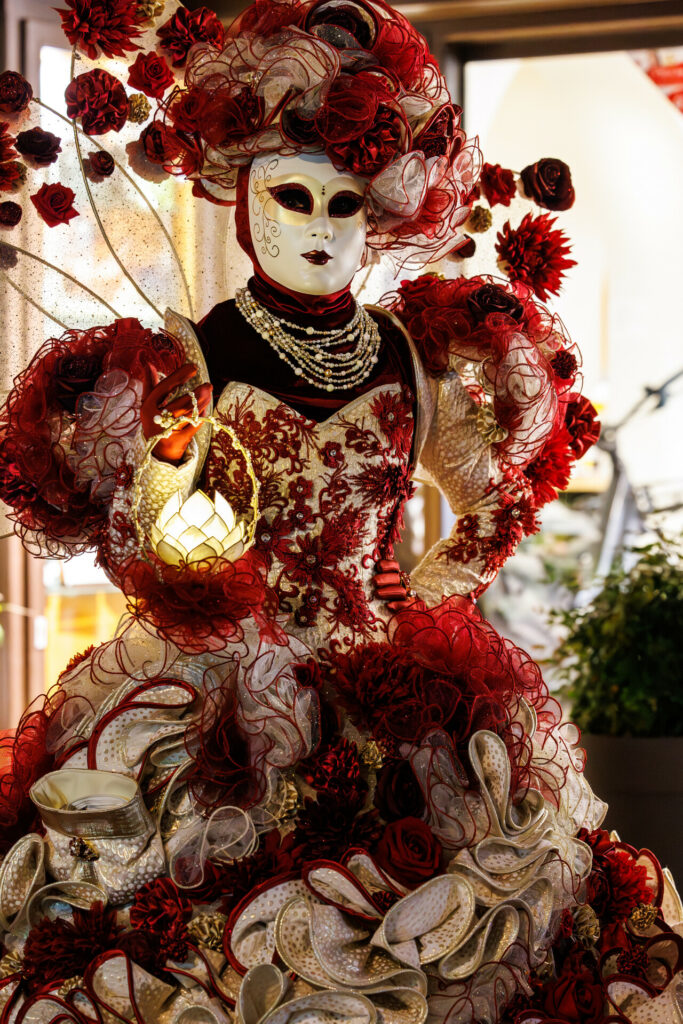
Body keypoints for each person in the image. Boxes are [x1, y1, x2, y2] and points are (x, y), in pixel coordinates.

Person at [0, 1, 679, 1021]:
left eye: (346, 206)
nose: (320, 230)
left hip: (404, 691)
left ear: (384, 210)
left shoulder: (416, 348)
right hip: (222, 699)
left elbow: (490, 490)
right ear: (241, 199)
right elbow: (153, 541)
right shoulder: (185, 360)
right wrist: (189, 531)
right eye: (294, 197)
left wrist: (433, 588)